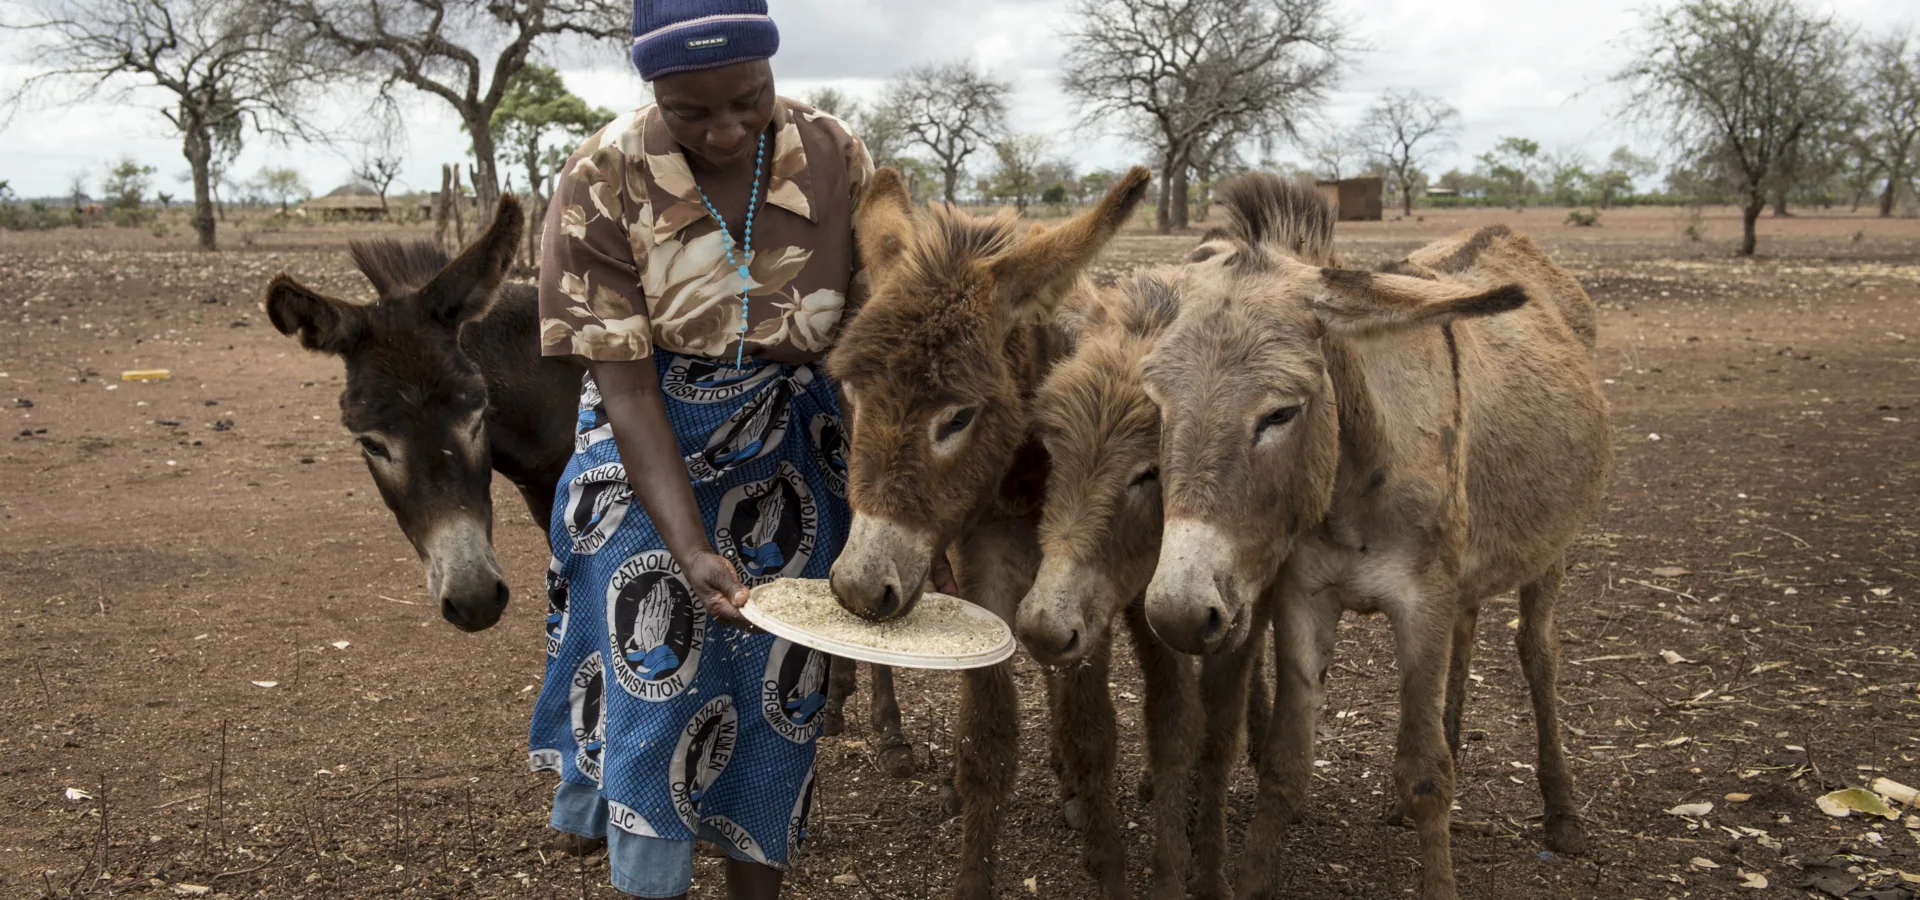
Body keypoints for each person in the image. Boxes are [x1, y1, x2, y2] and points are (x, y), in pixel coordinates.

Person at [527, 1, 871, 896]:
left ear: (771, 69)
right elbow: (627, 388)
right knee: (663, 659)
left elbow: (882, 338)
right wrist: (689, 547)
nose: (725, 129)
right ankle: (655, 882)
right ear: (652, 88)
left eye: (748, 99)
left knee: (783, 679)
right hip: (651, 438)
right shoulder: (603, 174)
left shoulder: (837, 156)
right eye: (691, 111)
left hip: (797, 437)